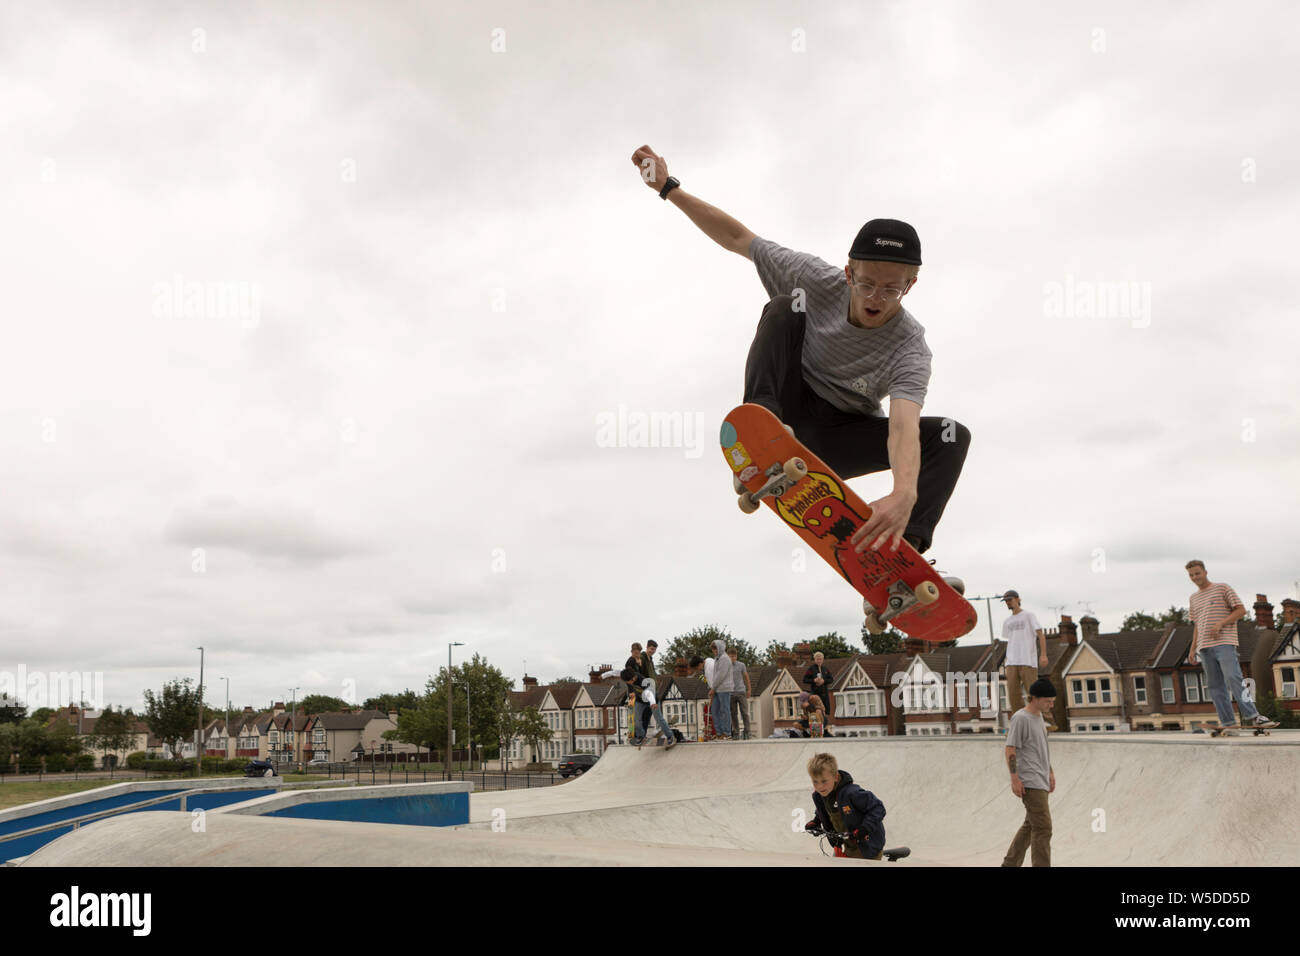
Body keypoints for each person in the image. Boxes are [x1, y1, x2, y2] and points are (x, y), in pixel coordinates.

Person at [631, 146, 970, 559]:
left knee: (952, 435)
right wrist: (667, 187)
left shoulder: (910, 347)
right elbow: (739, 238)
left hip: (840, 437)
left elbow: (902, 426)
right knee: (784, 305)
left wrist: (904, 492)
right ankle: (761, 426)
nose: (875, 299)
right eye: (866, 284)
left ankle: (903, 549)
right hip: (788, 411)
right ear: (849, 273)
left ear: (910, 286)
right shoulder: (812, 277)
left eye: (891, 289)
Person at [1186, 560, 1273, 732]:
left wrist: (1221, 624)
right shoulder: (1193, 598)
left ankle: (1255, 716)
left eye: (1197, 573)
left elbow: (1241, 610)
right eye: (1191, 575)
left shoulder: (1222, 588)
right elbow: (1197, 624)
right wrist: (1192, 648)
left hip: (1224, 642)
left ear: (1205, 572)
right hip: (1204, 647)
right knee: (1215, 686)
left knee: (1233, 677)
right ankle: (1228, 723)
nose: (1195, 577)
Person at [1002, 678, 1057, 867]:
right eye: (1048, 701)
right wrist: (1015, 778)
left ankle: (1009, 864)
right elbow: (1010, 749)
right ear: (1034, 698)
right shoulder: (1021, 718)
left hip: (1041, 778)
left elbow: (1039, 748)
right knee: (1043, 828)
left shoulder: (1039, 716)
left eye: (1053, 701)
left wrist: (1049, 771)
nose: (1051, 705)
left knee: (1031, 826)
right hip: (1030, 781)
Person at [802, 752, 887, 860]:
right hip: (848, 845)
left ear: (836, 777)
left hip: (868, 845)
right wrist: (816, 821)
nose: (820, 787)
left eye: (824, 781)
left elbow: (878, 808)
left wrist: (864, 828)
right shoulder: (820, 796)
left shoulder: (851, 793)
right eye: (815, 781)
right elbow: (826, 810)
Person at [1001, 590, 1046, 717]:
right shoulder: (1007, 621)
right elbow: (1010, 640)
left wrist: (1043, 654)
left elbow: (1040, 634)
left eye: (1010, 600)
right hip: (1011, 661)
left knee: (1034, 692)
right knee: (1013, 694)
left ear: (1018, 599)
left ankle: (1044, 720)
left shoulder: (1029, 615)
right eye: (1006, 601)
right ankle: (1021, 721)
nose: (1008, 603)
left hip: (1027, 660)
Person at [620, 668, 676, 749]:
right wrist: (604, 675)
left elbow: (649, 693)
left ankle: (671, 736)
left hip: (652, 701)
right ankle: (641, 736)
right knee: (636, 719)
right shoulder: (629, 675)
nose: (628, 683)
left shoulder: (643, 682)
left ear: (633, 678)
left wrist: (652, 702)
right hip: (640, 701)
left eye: (628, 682)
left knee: (659, 719)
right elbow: (616, 672)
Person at [707, 640, 734, 739]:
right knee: (715, 710)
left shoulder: (724, 659)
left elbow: (720, 675)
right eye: (713, 649)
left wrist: (713, 688)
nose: (714, 650)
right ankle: (719, 733)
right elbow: (715, 675)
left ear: (720, 648)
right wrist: (713, 687)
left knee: (724, 710)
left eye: (715, 648)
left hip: (724, 688)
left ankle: (727, 732)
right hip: (717, 688)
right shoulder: (717, 659)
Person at [727, 648, 752, 740]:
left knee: (744, 712)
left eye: (734, 656)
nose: (732, 658)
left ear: (736, 657)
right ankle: (736, 731)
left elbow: (746, 677)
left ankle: (747, 730)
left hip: (741, 691)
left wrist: (749, 689)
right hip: (731, 692)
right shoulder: (726, 666)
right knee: (733, 713)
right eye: (730, 657)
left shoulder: (741, 665)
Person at [802, 652, 833, 716]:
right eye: (817, 659)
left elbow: (831, 679)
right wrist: (814, 680)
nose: (819, 661)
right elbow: (805, 680)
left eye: (820, 659)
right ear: (815, 659)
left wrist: (824, 681)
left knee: (826, 710)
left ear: (823, 659)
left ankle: (825, 723)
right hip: (816, 693)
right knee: (817, 710)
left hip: (824, 693)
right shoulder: (811, 669)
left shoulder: (826, 669)